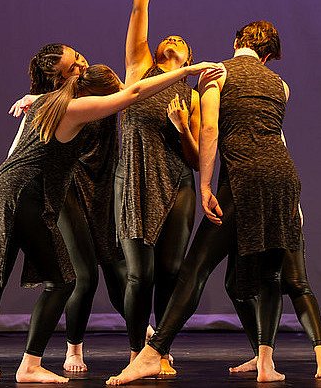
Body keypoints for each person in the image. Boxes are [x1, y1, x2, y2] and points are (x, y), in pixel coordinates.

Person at [0, 60, 223, 383]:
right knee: (62, 281)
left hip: (2, 190)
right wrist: (186, 72)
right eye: (108, 97)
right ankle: (30, 365)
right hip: (24, 195)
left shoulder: (50, 101)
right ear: (94, 94)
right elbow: (135, 92)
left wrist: (30, 98)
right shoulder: (76, 108)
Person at [107, 21, 300, 385]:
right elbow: (277, 138)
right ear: (270, 55)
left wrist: (207, 184)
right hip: (283, 179)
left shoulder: (216, 74)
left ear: (236, 42)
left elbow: (209, 130)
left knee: (194, 269)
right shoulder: (282, 86)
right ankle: (266, 363)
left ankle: (152, 352)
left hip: (241, 179)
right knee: (270, 274)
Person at [9, 44, 128, 372]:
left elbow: (127, 94)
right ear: (59, 81)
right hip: (69, 189)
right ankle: (73, 349)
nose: (82, 64)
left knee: (117, 268)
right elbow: (17, 157)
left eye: (78, 57)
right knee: (83, 276)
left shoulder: (98, 87)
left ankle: (143, 338)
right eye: (73, 67)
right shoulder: (61, 106)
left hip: (99, 188)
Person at [115, 0, 201, 374]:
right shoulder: (140, 66)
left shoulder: (190, 93)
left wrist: (183, 127)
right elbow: (138, 8)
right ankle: (135, 350)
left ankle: (159, 352)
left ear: (188, 59)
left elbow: (194, 156)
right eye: (169, 37)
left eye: (181, 43)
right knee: (139, 275)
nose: (173, 39)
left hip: (176, 183)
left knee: (170, 273)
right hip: (135, 178)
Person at [226, 204, 321, 378]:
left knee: (296, 283)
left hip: (279, 201)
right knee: (237, 287)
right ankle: (262, 358)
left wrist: (296, 202)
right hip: (248, 209)